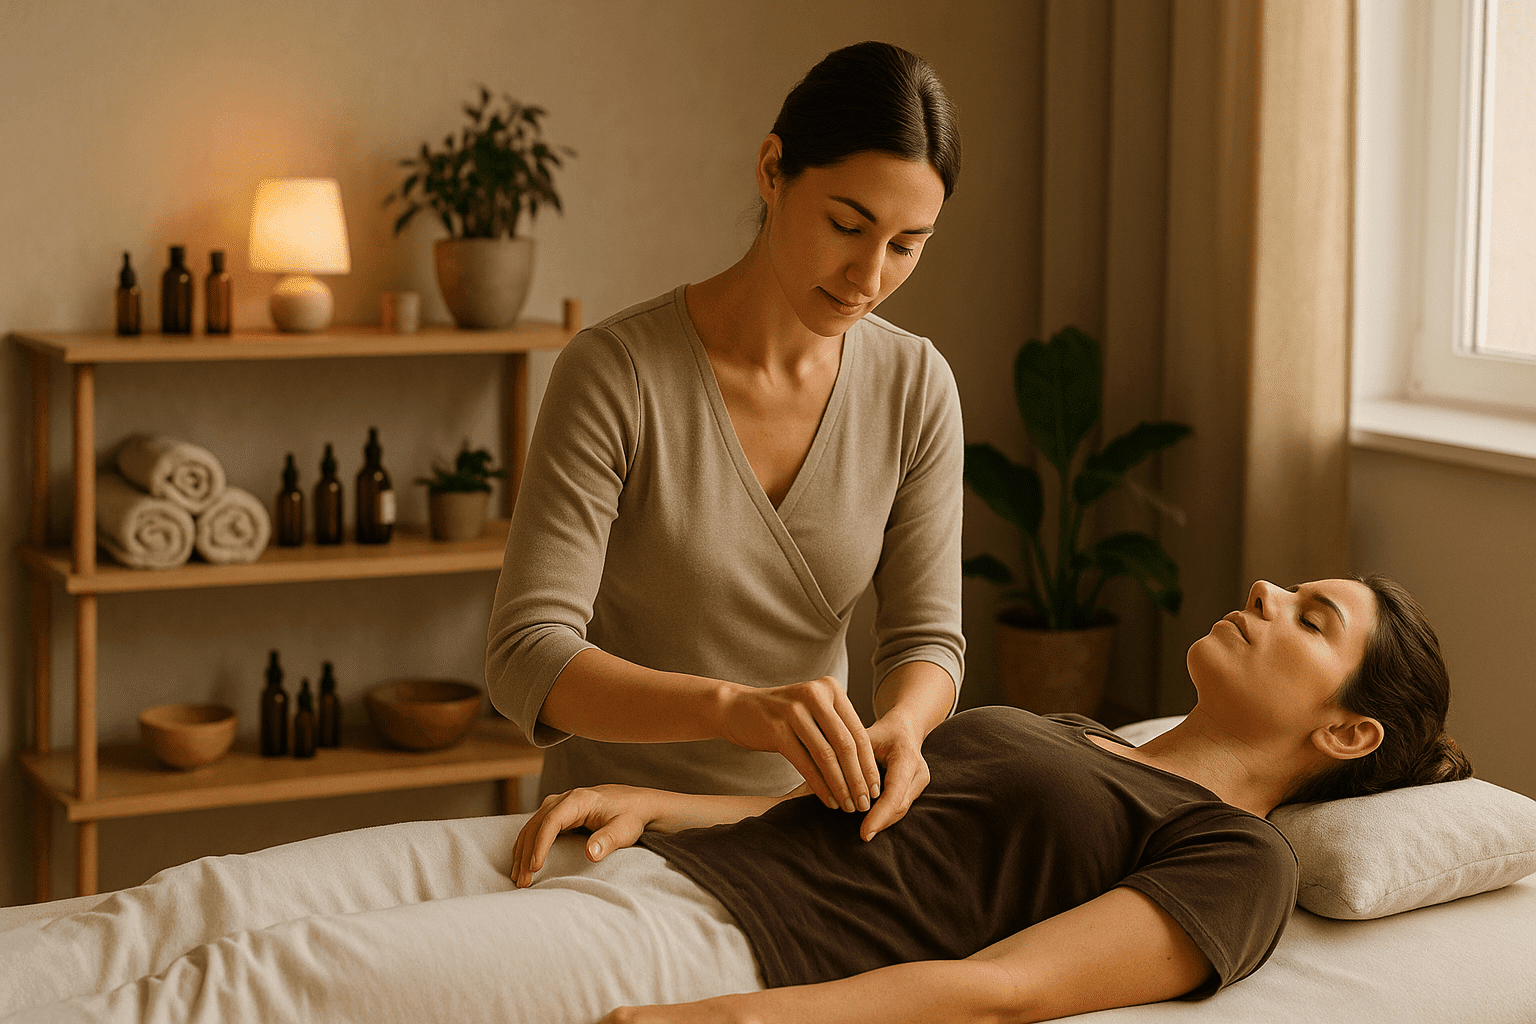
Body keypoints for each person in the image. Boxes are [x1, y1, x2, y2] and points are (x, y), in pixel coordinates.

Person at [0, 576, 1472, 1024]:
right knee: (185, 900)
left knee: (247, 990)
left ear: (1346, 733)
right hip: (662, 862)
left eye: (1313, 611)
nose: (1266, 591)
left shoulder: (1233, 859)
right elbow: (875, 812)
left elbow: (997, 986)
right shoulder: (1091, 729)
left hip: (722, 953)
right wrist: (658, 798)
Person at [484, 40, 966, 839]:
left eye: (907, 245)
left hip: (805, 831)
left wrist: (907, 726)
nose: (869, 277)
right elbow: (525, 656)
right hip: (611, 831)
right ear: (773, 170)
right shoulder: (616, 374)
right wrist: (733, 710)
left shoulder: (916, 386)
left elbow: (925, 638)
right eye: (848, 225)